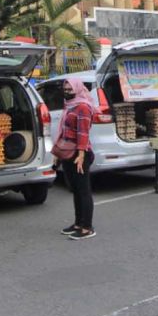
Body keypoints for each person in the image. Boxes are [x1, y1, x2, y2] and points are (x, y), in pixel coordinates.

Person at [57, 78, 97, 240]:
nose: (66, 92)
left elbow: (83, 133)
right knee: (75, 190)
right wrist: (57, 154)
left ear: (78, 89)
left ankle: (87, 227)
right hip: (68, 152)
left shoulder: (83, 107)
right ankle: (78, 223)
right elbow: (64, 131)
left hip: (80, 154)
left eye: (70, 89)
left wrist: (80, 156)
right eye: (65, 89)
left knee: (83, 190)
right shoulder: (70, 105)